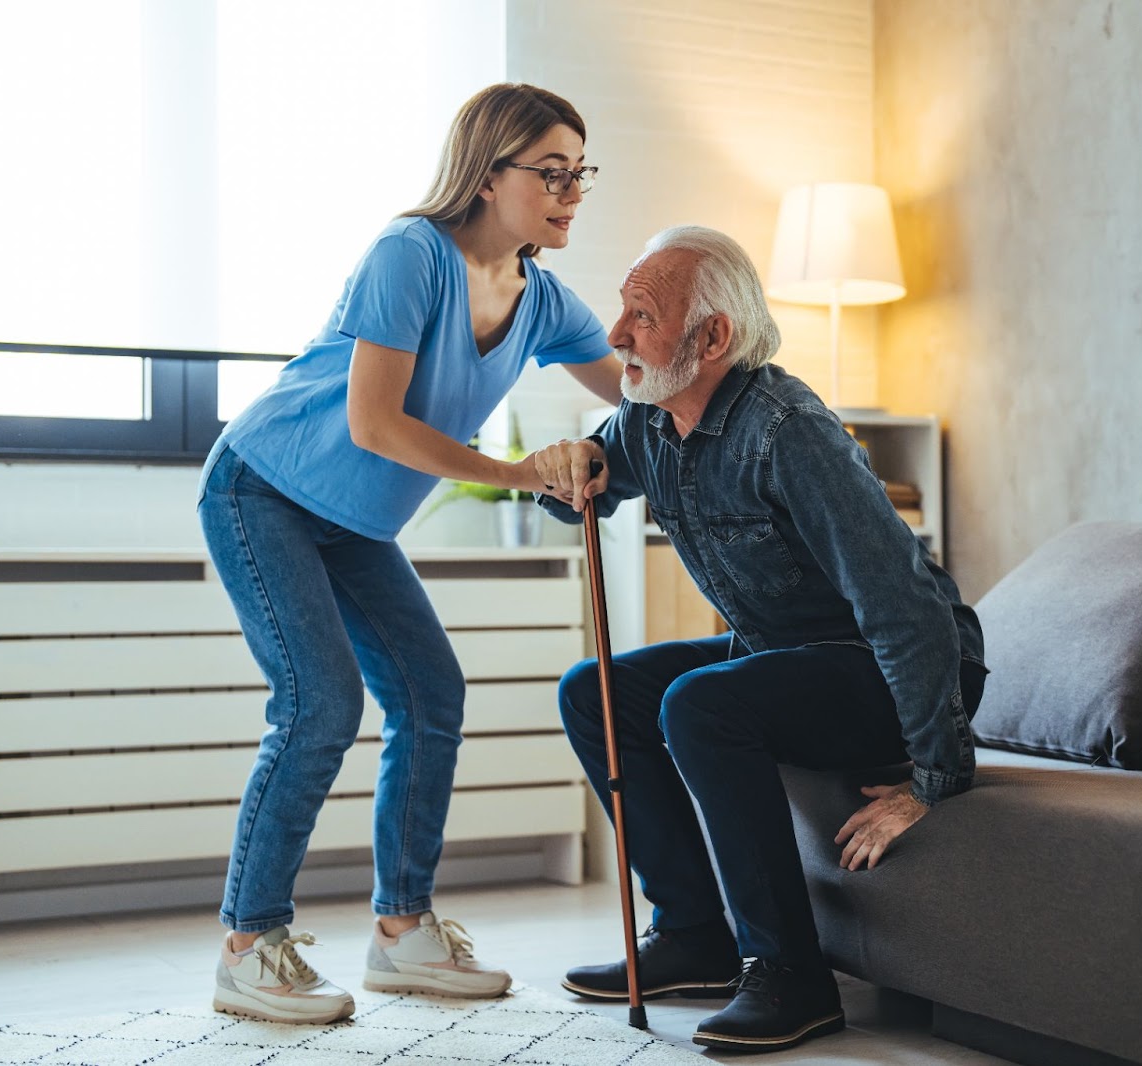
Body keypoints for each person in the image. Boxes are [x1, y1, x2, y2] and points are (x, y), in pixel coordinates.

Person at [196, 83, 621, 1025]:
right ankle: (247, 947)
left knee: (432, 694)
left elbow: (632, 386)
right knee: (319, 704)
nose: (569, 192)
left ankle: (402, 932)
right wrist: (520, 473)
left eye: (578, 173)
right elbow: (375, 423)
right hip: (261, 487)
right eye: (549, 172)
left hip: (353, 526)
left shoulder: (540, 297)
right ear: (486, 172)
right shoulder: (410, 254)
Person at [530, 225, 987, 1053]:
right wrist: (572, 466)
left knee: (700, 705)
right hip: (779, 654)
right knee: (593, 691)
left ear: (713, 338)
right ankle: (694, 936)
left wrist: (934, 776)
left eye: (643, 314)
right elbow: (593, 483)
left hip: (890, 670)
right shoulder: (646, 422)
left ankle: (791, 979)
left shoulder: (789, 432)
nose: (616, 335)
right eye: (622, 308)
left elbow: (904, 605)